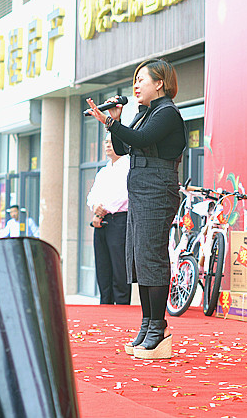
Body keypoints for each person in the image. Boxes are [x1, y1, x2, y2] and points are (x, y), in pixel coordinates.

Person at [85, 59, 187, 360]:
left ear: (160, 83)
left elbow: (141, 140)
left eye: (142, 79)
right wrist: (116, 119)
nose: (136, 85)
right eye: (135, 80)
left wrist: (109, 123)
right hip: (141, 190)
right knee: (141, 258)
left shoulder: (167, 112)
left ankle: (159, 327)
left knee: (152, 257)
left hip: (157, 189)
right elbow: (123, 147)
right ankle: (147, 323)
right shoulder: (145, 113)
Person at [86, 134, 131, 305]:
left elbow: (123, 195)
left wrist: (100, 212)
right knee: (103, 268)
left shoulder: (128, 167)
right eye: (106, 142)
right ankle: (105, 305)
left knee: (119, 269)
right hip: (101, 223)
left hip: (119, 220)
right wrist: (95, 206)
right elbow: (92, 196)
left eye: (112, 142)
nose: (108, 145)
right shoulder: (103, 171)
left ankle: (121, 307)